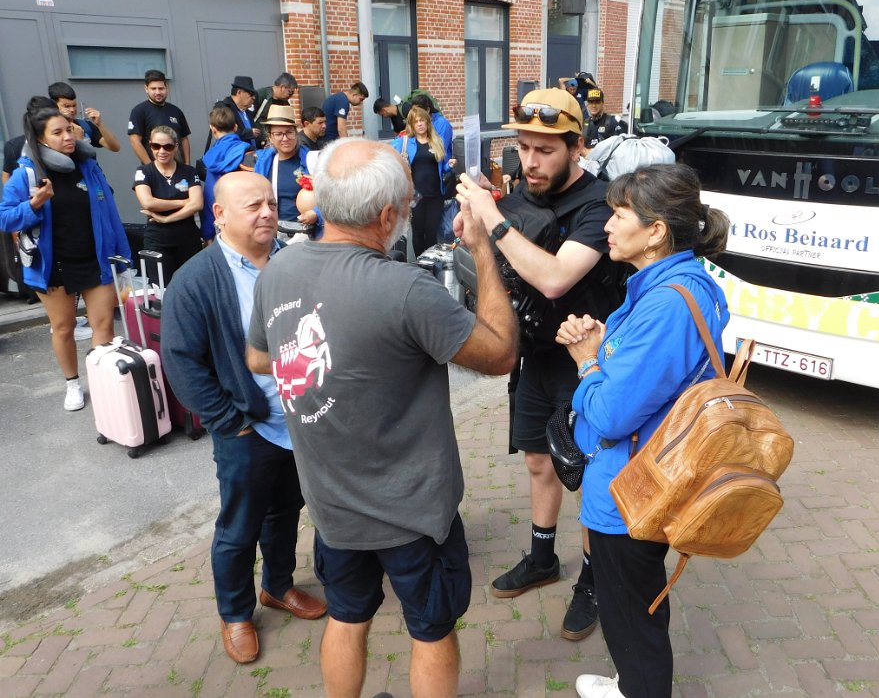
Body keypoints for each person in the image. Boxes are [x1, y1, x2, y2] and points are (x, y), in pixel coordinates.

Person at [246, 138, 518, 698]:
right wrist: (483, 250)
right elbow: (500, 355)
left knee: (348, 616)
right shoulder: (405, 289)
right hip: (412, 511)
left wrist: (334, 362)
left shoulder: (279, 270)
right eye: (409, 205)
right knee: (431, 629)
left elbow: (258, 357)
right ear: (387, 217)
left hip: (333, 506)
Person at [558, 164, 730, 698]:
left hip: (632, 488)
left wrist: (588, 361)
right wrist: (608, 345)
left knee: (632, 616)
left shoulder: (668, 303)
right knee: (637, 606)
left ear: (656, 231)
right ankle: (632, 683)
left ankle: (638, 688)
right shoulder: (678, 286)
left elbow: (612, 415)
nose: (608, 226)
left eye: (619, 215)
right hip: (640, 475)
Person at [459, 87, 623, 641]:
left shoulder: (600, 205)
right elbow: (497, 261)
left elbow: (555, 278)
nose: (530, 161)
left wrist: (493, 219)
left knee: (590, 477)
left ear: (576, 148)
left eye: (545, 150)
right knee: (538, 461)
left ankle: (594, 580)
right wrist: (475, 231)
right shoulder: (520, 193)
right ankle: (543, 557)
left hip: (587, 362)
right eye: (524, 148)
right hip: (536, 356)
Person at [159, 171, 327, 665]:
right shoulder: (197, 279)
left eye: (271, 203)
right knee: (239, 526)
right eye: (253, 206)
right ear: (219, 214)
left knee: (286, 511)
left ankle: (277, 586)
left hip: (297, 419)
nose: (267, 213)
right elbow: (181, 361)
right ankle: (235, 613)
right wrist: (228, 421)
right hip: (245, 425)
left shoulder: (289, 262)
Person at [0, 105, 130, 410]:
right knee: (63, 327)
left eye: (69, 129)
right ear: (40, 139)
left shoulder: (88, 166)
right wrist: (34, 204)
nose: (67, 137)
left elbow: (110, 214)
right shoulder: (26, 174)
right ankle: (72, 383)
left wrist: (123, 257)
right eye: (57, 132)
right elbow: (5, 218)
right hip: (53, 265)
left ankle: (103, 384)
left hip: (95, 259)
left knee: (104, 326)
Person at [132, 125, 204, 285]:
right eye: (156, 146)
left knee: (192, 287)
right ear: (150, 145)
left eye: (168, 147)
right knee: (162, 290)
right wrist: (184, 202)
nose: (162, 151)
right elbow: (148, 202)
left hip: (188, 240)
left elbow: (197, 204)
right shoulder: (144, 171)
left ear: (176, 146)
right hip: (158, 242)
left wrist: (167, 219)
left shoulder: (189, 171)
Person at [391, 107, 456, 256]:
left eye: (422, 120)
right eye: (416, 122)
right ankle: (420, 262)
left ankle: (430, 261)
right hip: (416, 196)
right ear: (412, 125)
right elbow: (388, 154)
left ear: (427, 122)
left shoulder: (436, 141)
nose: (420, 124)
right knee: (418, 232)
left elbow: (442, 167)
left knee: (432, 232)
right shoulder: (405, 142)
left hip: (436, 195)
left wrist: (449, 165)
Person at [201, 106, 253, 242]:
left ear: (213, 129)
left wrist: (207, 234)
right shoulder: (248, 152)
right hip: (246, 222)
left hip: (221, 225)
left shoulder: (210, 158)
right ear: (235, 127)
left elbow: (209, 197)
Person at [253, 105, 310, 223]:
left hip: (306, 228)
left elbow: (328, 197)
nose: (285, 138)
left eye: (289, 132)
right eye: (278, 134)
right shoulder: (264, 163)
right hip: (273, 228)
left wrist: (316, 213)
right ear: (270, 137)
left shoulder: (309, 161)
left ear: (296, 133)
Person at [127, 69, 192, 165]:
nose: (157, 92)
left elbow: (184, 139)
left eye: (161, 88)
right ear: (146, 89)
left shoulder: (176, 111)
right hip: (155, 168)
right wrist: (151, 167)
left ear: (167, 88)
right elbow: (135, 141)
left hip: (179, 169)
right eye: (153, 89)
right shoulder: (139, 111)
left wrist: (187, 164)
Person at [47, 82, 121, 153]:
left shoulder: (85, 126)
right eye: (67, 106)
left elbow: (115, 148)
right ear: (54, 105)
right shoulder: (51, 131)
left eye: (74, 105)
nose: (72, 110)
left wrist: (99, 124)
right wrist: (79, 141)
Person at [207, 76, 258, 150]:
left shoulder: (247, 112)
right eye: (251, 94)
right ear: (239, 92)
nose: (253, 97)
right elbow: (224, 133)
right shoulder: (223, 108)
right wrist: (248, 133)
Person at [409, 94, 454, 161]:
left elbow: (441, 148)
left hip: (439, 164)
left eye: (419, 111)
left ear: (427, 110)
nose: (415, 114)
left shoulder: (442, 124)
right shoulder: (417, 123)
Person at [254, 72, 298, 137]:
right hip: (256, 136)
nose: (291, 96)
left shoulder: (285, 103)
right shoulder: (262, 95)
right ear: (282, 87)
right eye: (290, 92)